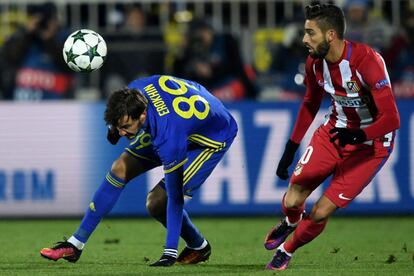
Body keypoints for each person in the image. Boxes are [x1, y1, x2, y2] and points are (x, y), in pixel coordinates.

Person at [39, 75, 238, 266]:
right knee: (120, 167)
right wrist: (114, 128)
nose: (123, 132)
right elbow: (122, 112)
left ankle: (198, 246)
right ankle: (75, 245)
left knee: (157, 202)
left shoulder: (169, 138)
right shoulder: (135, 91)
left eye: (125, 126)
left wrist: (169, 252)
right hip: (182, 118)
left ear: (142, 115)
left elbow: (175, 197)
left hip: (213, 137)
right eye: (120, 126)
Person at [263, 3, 400, 271]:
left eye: (310, 33)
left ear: (330, 35)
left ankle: (287, 250)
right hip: (335, 132)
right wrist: (290, 148)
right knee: (292, 200)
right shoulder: (315, 62)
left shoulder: (367, 61)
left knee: (320, 211)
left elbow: (392, 119)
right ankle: (290, 222)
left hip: (371, 146)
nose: (304, 39)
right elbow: (310, 104)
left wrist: (360, 135)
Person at [0, 2, 74, 100]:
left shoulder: (64, 39)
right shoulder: (20, 38)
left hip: (56, 107)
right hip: (17, 106)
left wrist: (49, 40)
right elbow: (8, 58)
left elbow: (71, 65)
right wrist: (26, 33)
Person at [173, 19, 258, 101]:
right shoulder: (192, 48)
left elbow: (236, 67)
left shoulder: (225, 41)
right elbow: (180, 74)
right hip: (205, 89)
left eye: (203, 32)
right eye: (197, 34)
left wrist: (212, 72)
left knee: (248, 72)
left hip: (226, 82)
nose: (201, 37)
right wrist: (181, 54)